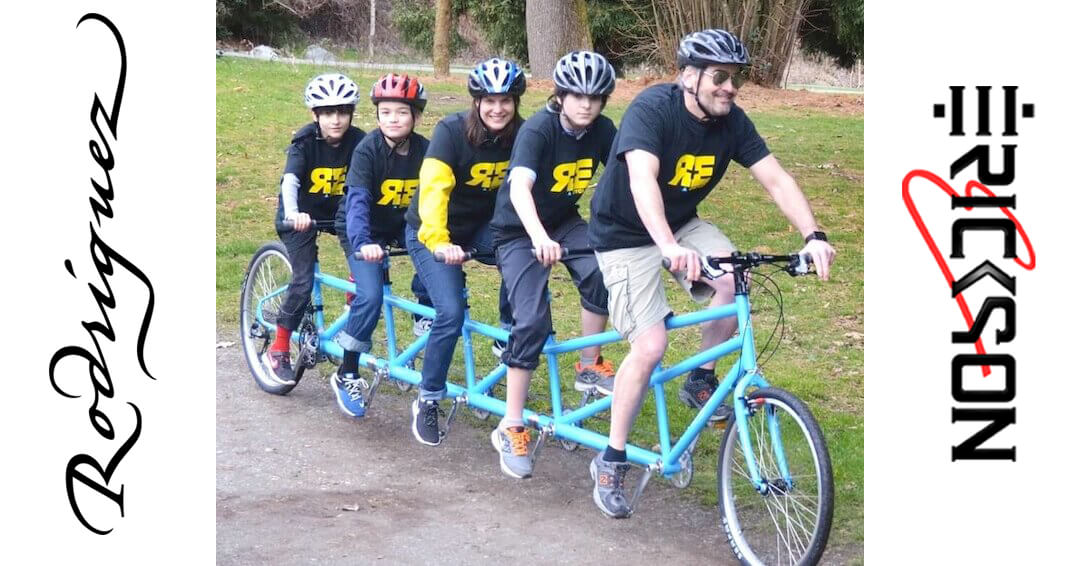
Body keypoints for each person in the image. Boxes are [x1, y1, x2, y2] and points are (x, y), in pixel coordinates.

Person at [585, 29, 837, 518]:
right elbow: (642, 180)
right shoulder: (652, 109)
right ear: (688, 77)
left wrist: (813, 235)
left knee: (733, 277)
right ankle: (612, 458)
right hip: (624, 234)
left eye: (735, 78)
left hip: (681, 224)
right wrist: (667, 247)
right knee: (650, 346)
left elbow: (775, 179)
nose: (729, 87)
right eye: (719, 77)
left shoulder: (732, 121)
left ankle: (700, 379)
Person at [487, 51, 619, 479]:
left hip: (564, 221)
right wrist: (539, 237)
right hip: (518, 230)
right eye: (577, 95)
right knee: (531, 320)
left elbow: (628, 176)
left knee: (600, 274)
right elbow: (520, 188)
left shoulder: (602, 131)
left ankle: (589, 366)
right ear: (560, 96)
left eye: (595, 98)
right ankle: (511, 425)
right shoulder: (538, 130)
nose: (586, 104)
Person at [404, 58, 522, 446]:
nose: (498, 109)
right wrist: (440, 242)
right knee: (451, 312)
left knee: (520, 256)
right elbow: (433, 191)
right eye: (489, 101)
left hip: (482, 228)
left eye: (505, 101)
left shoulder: (522, 134)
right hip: (430, 230)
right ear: (476, 102)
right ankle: (428, 397)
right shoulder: (450, 132)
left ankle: (507, 334)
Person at [330, 74, 433, 417]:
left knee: (436, 267)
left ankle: (423, 318)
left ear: (416, 116)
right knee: (371, 295)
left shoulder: (425, 150)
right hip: (362, 230)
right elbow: (357, 201)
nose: (393, 119)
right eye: (385, 112)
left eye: (402, 112)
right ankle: (347, 371)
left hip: (403, 225)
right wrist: (362, 243)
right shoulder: (367, 150)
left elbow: (436, 199)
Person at [263, 73, 365, 385]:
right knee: (303, 280)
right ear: (315, 114)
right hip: (301, 215)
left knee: (366, 269)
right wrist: (293, 213)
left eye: (343, 112)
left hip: (339, 213)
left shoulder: (359, 141)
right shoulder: (304, 141)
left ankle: (351, 320)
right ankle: (279, 349)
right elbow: (291, 180)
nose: (336, 120)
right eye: (328, 113)